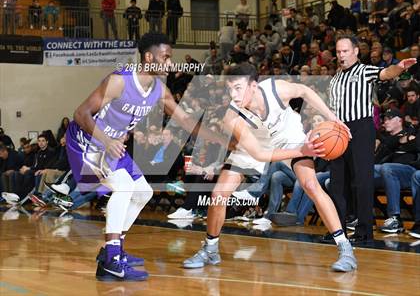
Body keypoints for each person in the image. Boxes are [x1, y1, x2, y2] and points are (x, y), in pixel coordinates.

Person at [66, 33, 226, 282]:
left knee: (143, 192)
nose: (170, 63)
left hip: (112, 145)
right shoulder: (120, 81)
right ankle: (111, 260)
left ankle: (113, 249)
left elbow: (184, 120)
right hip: (87, 141)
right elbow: (80, 113)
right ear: (149, 57)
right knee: (125, 188)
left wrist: (219, 137)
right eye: (166, 57)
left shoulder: (159, 89)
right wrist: (107, 141)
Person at [183, 62, 357, 272]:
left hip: (289, 138)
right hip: (256, 146)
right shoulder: (233, 116)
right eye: (229, 89)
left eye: (238, 88)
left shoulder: (276, 88)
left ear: (254, 86)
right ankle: (210, 249)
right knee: (219, 193)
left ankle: (345, 250)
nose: (233, 95)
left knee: (311, 184)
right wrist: (304, 151)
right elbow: (259, 154)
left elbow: (304, 90)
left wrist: (333, 118)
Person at [328, 35, 417, 244]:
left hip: (361, 127)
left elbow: (385, 73)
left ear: (356, 51)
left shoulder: (364, 70)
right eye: (338, 52)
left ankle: (364, 230)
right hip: (338, 131)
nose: (341, 55)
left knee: (362, 181)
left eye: (345, 51)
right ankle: (337, 231)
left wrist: (400, 66)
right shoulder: (334, 79)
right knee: (337, 183)